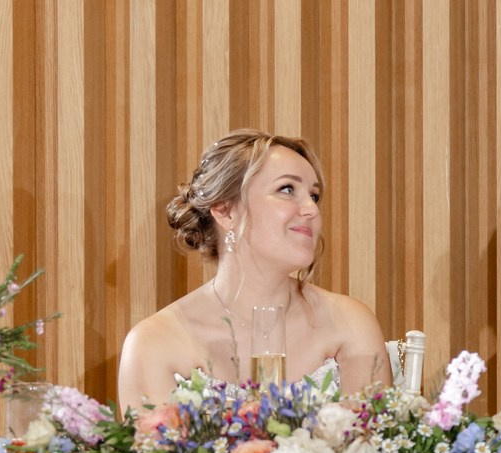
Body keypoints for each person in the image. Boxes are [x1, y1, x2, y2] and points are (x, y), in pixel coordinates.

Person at [116, 130, 390, 412]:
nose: (311, 209)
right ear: (225, 211)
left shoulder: (351, 323)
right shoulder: (154, 343)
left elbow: (374, 437)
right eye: (287, 189)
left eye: (314, 196)